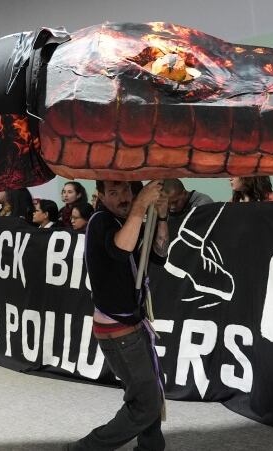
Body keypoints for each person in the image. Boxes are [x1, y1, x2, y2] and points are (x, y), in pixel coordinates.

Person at [71, 179, 169, 451]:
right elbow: (120, 249)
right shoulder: (101, 220)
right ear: (100, 196)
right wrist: (140, 205)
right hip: (118, 331)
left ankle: (151, 448)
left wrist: (161, 215)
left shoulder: (129, 221)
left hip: (133, 323)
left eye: (126, 190)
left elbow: (159, 254)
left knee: (151, 392)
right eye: (113, 193)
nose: (123, 198)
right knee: (146, 404)